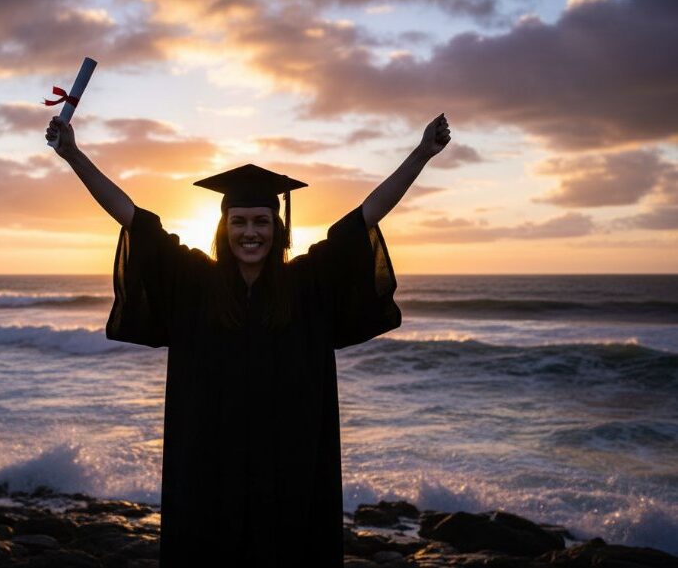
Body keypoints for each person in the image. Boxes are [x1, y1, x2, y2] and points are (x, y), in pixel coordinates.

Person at [46, 114, 451, 567]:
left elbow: (364, 218)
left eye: (261, 220)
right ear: (224, 227)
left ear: (278, 227)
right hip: (208, 456)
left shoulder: (307, 283)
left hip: (289, 458)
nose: (250, 232)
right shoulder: (193, 280)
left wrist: (421, 155)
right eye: (239, 221)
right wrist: (73, 155)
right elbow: (133, 218)